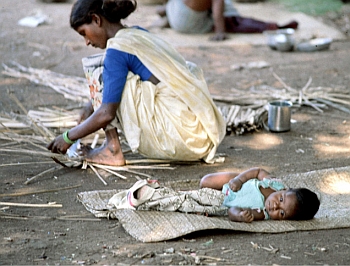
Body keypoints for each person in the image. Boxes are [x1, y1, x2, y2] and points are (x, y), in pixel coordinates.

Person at [47, 0, 226, 165]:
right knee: (113, 76)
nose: (86, 42)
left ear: (96, 19)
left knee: (98, 70)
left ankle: (111, 149)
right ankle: (110, 147)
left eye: (83, 33)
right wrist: (90, 105)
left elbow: (106, 113)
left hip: (176, 138)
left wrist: (68, 136)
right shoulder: (138, 34)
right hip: (198, 135)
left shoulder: (116, 51)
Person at [107, 167, 320, 222]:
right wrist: (238, 179)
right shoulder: (274, 183)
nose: (276, 206)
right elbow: (256, 171)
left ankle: (154, 193)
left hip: (227, 199)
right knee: (206, 181)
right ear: (284, 189)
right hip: (236, 182)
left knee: (200, 197)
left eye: (281, 214)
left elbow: (238, 212)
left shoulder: (261, 212)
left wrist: (238, 215)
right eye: (281, 200)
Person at [155, 0, 299, 41]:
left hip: (174, 9)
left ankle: (166, 15)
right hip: (186, 22)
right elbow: (218, 4)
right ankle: (274, 26)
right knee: (233, 19)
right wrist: (220, 30)